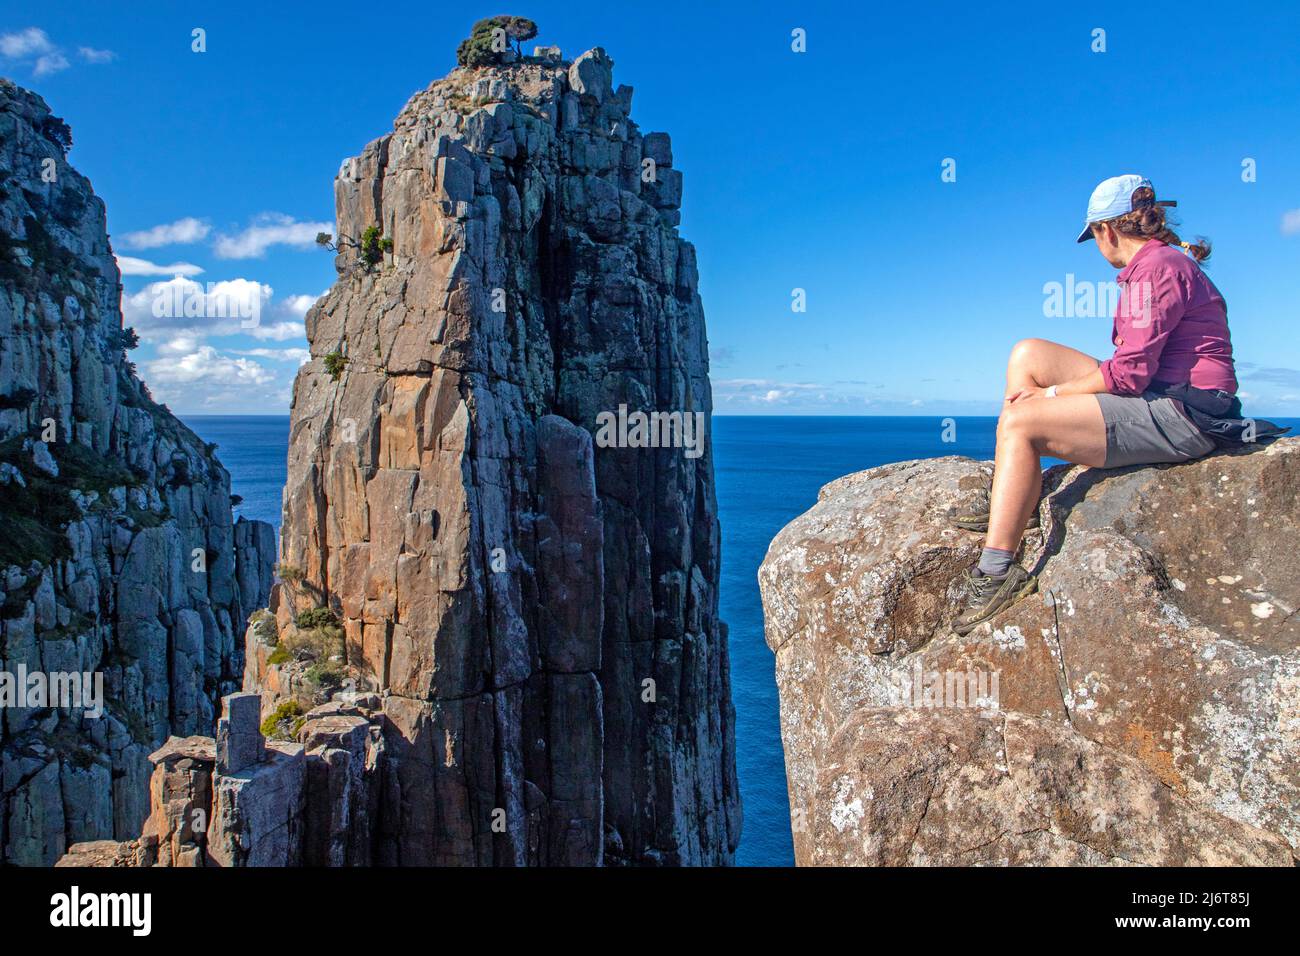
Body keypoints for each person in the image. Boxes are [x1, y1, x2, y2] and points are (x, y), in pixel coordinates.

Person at [951, 174, 1287, 635]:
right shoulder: (1161, 262)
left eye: (1093, 236)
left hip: (1184, 415)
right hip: (1163, 394)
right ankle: (1019, 502)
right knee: (1027, 352)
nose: (1096, 246)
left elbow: (1129, 375)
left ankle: (996, 572)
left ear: (1106, 230)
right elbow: (1134, 370)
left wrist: (1050, 396)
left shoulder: (1156, 270)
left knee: (1020, 422)